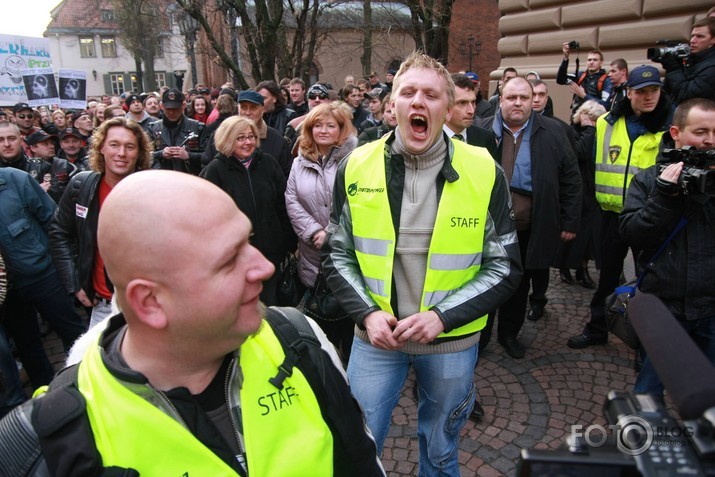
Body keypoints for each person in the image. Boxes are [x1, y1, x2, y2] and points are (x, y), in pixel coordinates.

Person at [0, 170, 385, 476]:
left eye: (248, 241)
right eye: (228, 260)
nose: (265, 267)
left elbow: (362, 462)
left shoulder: (299, 341)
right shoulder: (50, 442)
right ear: (149, 302)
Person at [323, 51, 522, 475]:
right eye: (407, 92)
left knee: (440, 447)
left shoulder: (483, 169)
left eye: (430, 95)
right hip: (376, 339)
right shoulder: (356, 164)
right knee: (358, 442)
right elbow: (338, 252)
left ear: (447, 109)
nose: (418, 102)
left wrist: (441, 317)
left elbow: (504, 265)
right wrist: (368, 314)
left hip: (450, 342)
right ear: (390, 104)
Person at [567, 65, 673, 349]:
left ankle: (646, 342)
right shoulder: (606, 123)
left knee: (649, 282)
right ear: (629, 92)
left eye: (654, 91)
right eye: (641, 91)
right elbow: (590, 165)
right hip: (611, 215)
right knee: (608, 278)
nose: (648, 97)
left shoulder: (669, 128)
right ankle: (597, 329)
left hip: (648, 217)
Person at [620, 97, 715, 400]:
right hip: (666, 308)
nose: (709, 140)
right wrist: (665, 196)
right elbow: (633, 233)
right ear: (676, 133)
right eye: (700, 132)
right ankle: (643, 441)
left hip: (710, 307)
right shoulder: (649, 181)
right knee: (649, 391)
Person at [480, 77, 582, 359]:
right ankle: (480, 337)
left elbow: (571, 178)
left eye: (524, 98)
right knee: (482, 281)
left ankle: (509, 334)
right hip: (485, 229)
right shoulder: (482, 130)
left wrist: (570, 220)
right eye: (511, 97)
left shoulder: (553, 132)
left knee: (518, 284)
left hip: (528, 228)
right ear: (500, 100)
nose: (518, 103)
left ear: (535, 101)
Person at [50, 117, 153, 328]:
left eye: (130, 147)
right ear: (101, 148)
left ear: (139, 152)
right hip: (103, 307)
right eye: (114, 145)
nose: (121, 153)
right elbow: (59, 232)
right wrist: (74, 283)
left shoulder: (153, 190)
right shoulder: (81, 185)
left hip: (146, 306)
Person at [0, 166, 86, 390]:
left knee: (73, 332)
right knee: (27, 345)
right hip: (7, 291)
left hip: (43, 274)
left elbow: (54, 221)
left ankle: (87, 381)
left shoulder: (14, 179)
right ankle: (47, 396)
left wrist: (66, 265)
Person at [285, 102, 357, 362]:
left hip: (346, 250)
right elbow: (291, 199)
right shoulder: (298, 162)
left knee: (349, 327)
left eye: (330, 125)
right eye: (318, 125)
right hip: (312, 253)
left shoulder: (355, 159)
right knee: (320, 333)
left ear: (341, 129)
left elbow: (357, 202)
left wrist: (331, 232)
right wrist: (314, 231)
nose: (323, 130)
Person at [200, 117, 296, 306]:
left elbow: (282, 204)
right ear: (228, 140)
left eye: (251, 137)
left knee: (273, 309)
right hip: (236, 259)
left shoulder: (268, 164)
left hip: (271, 256)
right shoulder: (215, 171)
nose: (248, 142)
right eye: (240, 138)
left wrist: (287, 242)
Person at [554, 100, 606, 289]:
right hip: (578, 191)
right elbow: (580, 152)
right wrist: (589, 130)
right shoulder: (574, 132)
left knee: (589, 237)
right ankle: (564, 267)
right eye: (591, 119)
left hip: (594, 191)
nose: (594, 123)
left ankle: (582, 269)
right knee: (571, 234)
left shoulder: (600, 134)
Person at [146, 88, 207, 175]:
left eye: (175, 109)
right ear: (162, 106)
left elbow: (208, 156)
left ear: (183, 105)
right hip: (161, 179)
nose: (171, 112)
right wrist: (161, 153)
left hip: (191, 179)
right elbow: (144, 156)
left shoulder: (198, 127)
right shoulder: (152, 129)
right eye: (168, 109)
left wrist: (189, 155)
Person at [658, 17, 715, 104]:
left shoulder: (712, 66)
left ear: (713, 40)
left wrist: (673, 69)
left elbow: (687, 95)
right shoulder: (691, 58)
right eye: (692, 36)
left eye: (700, 36)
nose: (692, 40)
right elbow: (668, 91)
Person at [446, 73, 500, 161]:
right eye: (462, 103)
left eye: (473, 102)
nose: (471, 110)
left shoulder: (485, 139)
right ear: (445, 104)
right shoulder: (429, 138)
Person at [556, 45, 613, 112]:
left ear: (601, 63)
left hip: (593, 119)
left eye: (595, 60)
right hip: (576, 118)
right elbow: (560, 79)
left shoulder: (606, 80)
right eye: (589, 60)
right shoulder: (580, 75)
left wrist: (584, 95)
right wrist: (566, 58)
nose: (591, 62)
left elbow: (605, 105)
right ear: (586, 62)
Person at [24, 130, 76, 203]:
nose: (51, 146)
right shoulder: (25, 167)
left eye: (52, 143)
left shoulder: (65, 165)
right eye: (45, 144)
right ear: (33, 148)